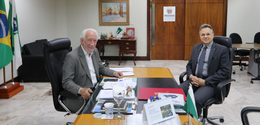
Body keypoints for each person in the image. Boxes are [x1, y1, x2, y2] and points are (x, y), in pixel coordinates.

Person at [62, 28, 123, 112]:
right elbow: (66, 82)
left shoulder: (95, 51)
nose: (92, 44)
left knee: (119, 100)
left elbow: (100, 67)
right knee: (110, 109)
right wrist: (81, 90)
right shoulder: (72, 57)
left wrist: (114, 73)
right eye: (89, 40)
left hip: (97, 89)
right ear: (82, 40)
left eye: (95, 41)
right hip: (82, 96)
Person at [179, 24, 230, 117]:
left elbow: (224, 71)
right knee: (177, 93)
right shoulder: (196, 47)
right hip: (194, 80)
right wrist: (190, 76)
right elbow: (189, 65)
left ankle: (194, 121)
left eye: (208, 34)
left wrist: (205, 82)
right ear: (200, 36)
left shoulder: (222, 50)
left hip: (211, 83)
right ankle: (181, 119)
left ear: (213, 35)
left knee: (196, 100)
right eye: (203, 35)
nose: (205, 37)